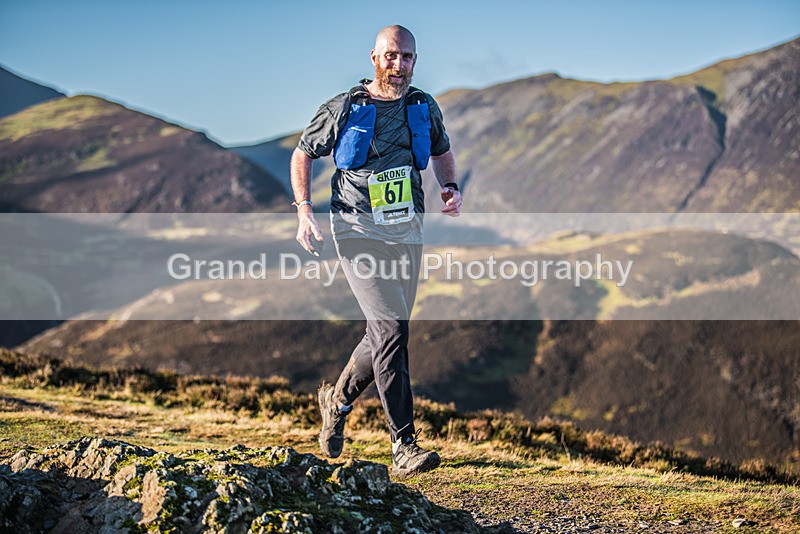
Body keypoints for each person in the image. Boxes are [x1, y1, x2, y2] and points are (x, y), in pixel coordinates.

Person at [290, 24, 462, 478]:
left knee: (386, 333)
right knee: (390, 330)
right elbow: (303, 153)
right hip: (356, 229)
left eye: (406, 57)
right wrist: (305, 210)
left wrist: (450, 187)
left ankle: (338, 400)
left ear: (414, 61)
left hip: (407, 231)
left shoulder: (423, 105)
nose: (398, 65)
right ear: (373, 57)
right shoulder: (346, 106)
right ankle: (403, 444)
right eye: (390, 56)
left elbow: (442, 150)